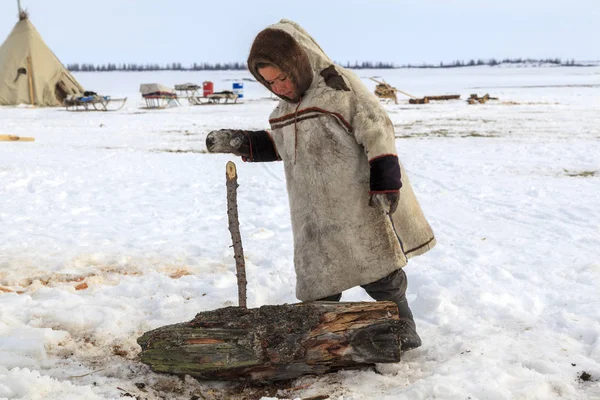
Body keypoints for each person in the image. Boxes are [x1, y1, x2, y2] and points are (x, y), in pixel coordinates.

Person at [206, 19, 436, 351]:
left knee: (377, 269)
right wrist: (241, 142)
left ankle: (403, 325)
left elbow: (376, 127)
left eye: (283, 77)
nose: (280, 87)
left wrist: (385, 179)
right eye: (270, 82)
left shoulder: (338, 88)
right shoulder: (284, 109)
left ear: (296, 65)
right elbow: (282, 145)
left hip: (354, 202)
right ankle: (326, 338)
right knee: (318, 280)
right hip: (310, 212)